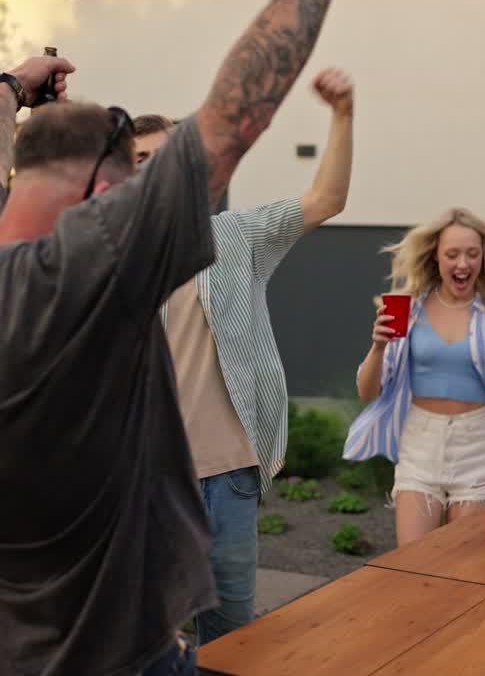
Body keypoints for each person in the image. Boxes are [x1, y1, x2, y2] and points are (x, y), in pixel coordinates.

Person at [0, 0, 346, 674]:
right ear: (98, 195)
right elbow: (237, 113)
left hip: (3, 658)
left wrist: (7, 90)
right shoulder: (78, 278)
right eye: (121, 194)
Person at [134, 67, 354, 644]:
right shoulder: (111, 257)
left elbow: (326, 199)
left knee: (233, 640)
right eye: (138, 161)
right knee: (143, 640)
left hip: (228, 475)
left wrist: (343, 114)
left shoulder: (234, 237)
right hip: (150, 481)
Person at [344, 207, 485, 545]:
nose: (463, 264)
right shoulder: (408, 309)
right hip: (420, 444)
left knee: (467, 573)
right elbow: (367, 392)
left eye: (472, 254)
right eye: (452, 254)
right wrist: (377, 347)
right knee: (415, 565)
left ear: (483, 259)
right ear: (435, 257)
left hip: (476, 446)